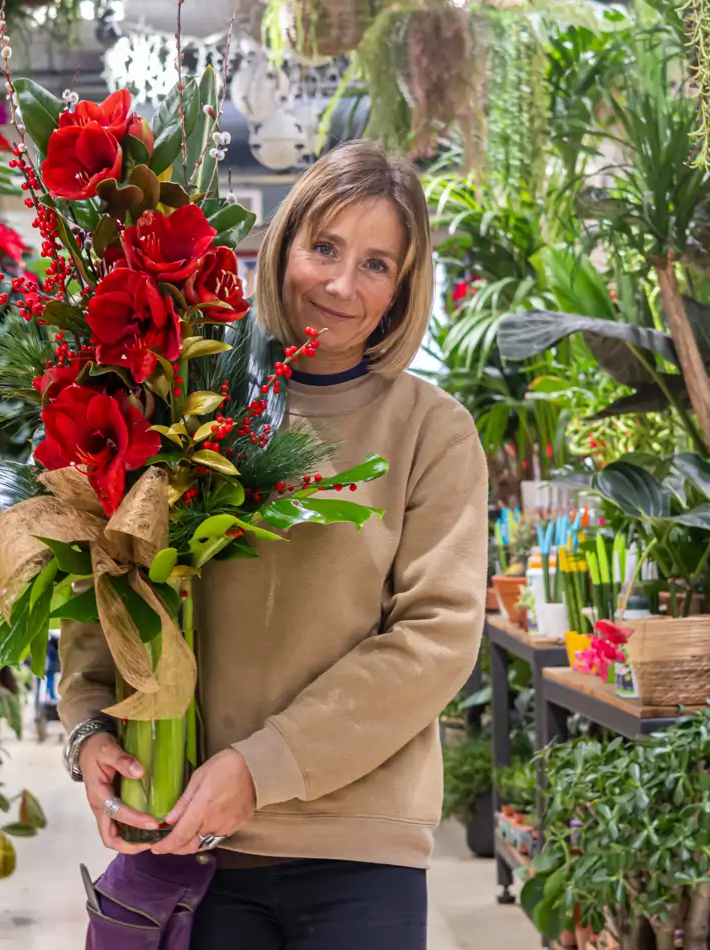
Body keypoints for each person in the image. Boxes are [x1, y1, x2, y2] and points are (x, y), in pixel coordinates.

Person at [58, 140, 488, 950]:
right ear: (284, 243)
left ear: (402, 289)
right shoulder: (187, 400)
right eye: (324, 247)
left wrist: (263, 767)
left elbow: (435, 640)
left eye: (375, 264)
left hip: (361, 852)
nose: (339, 284)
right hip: (197, 850)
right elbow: (108, 583)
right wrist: (89, 728)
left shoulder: (431, 431)